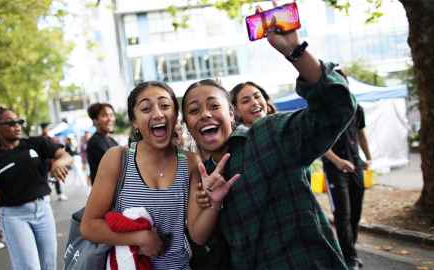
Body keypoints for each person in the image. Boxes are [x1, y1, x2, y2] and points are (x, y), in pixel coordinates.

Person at [180, 3, 357, 268]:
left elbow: (336, 109)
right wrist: (210, 205)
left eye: (214, 106)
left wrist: (295, 52)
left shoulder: (269, 134)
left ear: (232, 114)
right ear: (187, 124)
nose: (205, 114)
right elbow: (201, 241)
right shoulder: (201, 176)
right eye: (194, 110)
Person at [80, 81, 238, 270]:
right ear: (135, 122)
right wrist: (140, 237)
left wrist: (214, 203)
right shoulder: (117, 158)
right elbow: (88, 226)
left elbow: (198, 235)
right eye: (146, 108)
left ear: (176, 116)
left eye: (165, 106)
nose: (157, 114)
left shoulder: (190, 162)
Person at [0, 105, 73, 270]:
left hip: (43, 210)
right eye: (10, 123)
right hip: (14, 216)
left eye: (18, 121)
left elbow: (65, 156)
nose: (17, 125)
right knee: (30, 267)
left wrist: (58, 164)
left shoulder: (36, 143)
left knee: (49, 265)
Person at [322, 103, 372, 270]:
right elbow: (319, 143)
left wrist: (368, 156)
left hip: (355, 165)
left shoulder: (356, 108)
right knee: (343, 214)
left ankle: (349, 251)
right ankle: (350, 258)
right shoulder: (321, 109)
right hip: (334, 168)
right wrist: (338, 162)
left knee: (355, 214)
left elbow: (361, 133)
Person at [86, 103, 119, 185]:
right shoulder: (95, 142)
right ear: (95, 121)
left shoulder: (111, 140)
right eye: (105, 115)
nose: (110, 119)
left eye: (111, 115)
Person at [40, 122, 68, 201]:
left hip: (52, 162)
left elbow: (57, 148)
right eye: (45, 128)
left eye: (46, 128)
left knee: (56, 177)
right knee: (44, 178)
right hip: (43, 163)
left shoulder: (50, 138)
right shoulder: (40, 139)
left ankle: (59, 193)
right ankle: (45, 195)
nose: (46, 130)